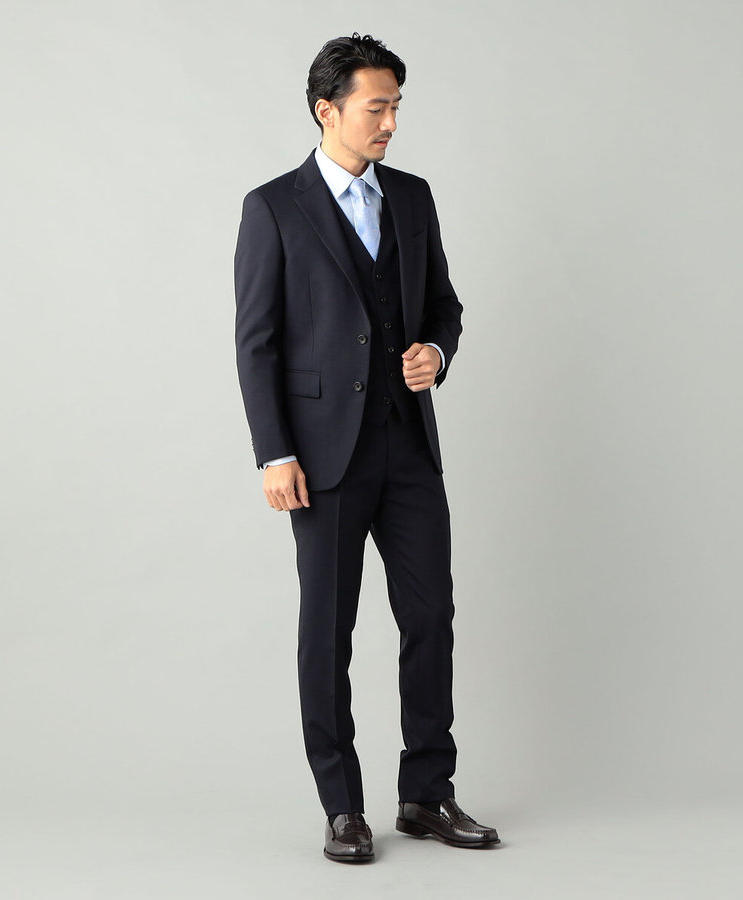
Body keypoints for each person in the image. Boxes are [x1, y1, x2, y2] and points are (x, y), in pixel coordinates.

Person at [234, 33, 500, 863]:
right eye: (376, 107)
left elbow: (445, 306)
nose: (390, 123)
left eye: (396, 107)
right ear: (328, 110)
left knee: (429, 617)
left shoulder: (412, 198)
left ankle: (426, 794)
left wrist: (436, 353)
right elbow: (256, 343)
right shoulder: (273, 207)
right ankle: (342, 806)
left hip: (409, 447)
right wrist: (275, 453)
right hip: (321, 459)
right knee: (328, 631)